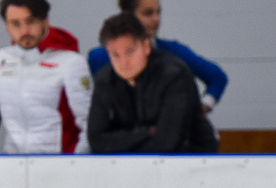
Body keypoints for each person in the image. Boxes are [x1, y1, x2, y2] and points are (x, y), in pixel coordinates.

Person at [0, 0, 92, 154]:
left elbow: (87, 122)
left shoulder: (71, 62)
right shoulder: (2, 58)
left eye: (31, 21)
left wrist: (76, 162)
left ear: (45, 21)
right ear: (7, 26)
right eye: (16, 24)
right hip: (15, 163)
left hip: (60, 163)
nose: (24, 31)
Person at [87, 12, 218, 153]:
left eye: (130, 51)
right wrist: (146, 133)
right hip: (131, 164)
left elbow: (167, 143)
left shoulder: (174, 75)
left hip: (194, 162)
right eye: (115, 55)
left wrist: (121, 142)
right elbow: (96, 141)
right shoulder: (105, 79)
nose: (123, 62)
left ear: (146, 46)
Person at [87, 0, 228, 114]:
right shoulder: (100, 57)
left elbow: (217, 77)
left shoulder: (172, 50)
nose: (156, 19)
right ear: (127, 16)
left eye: (158, 12)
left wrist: (200, 109)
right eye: (148, 13)